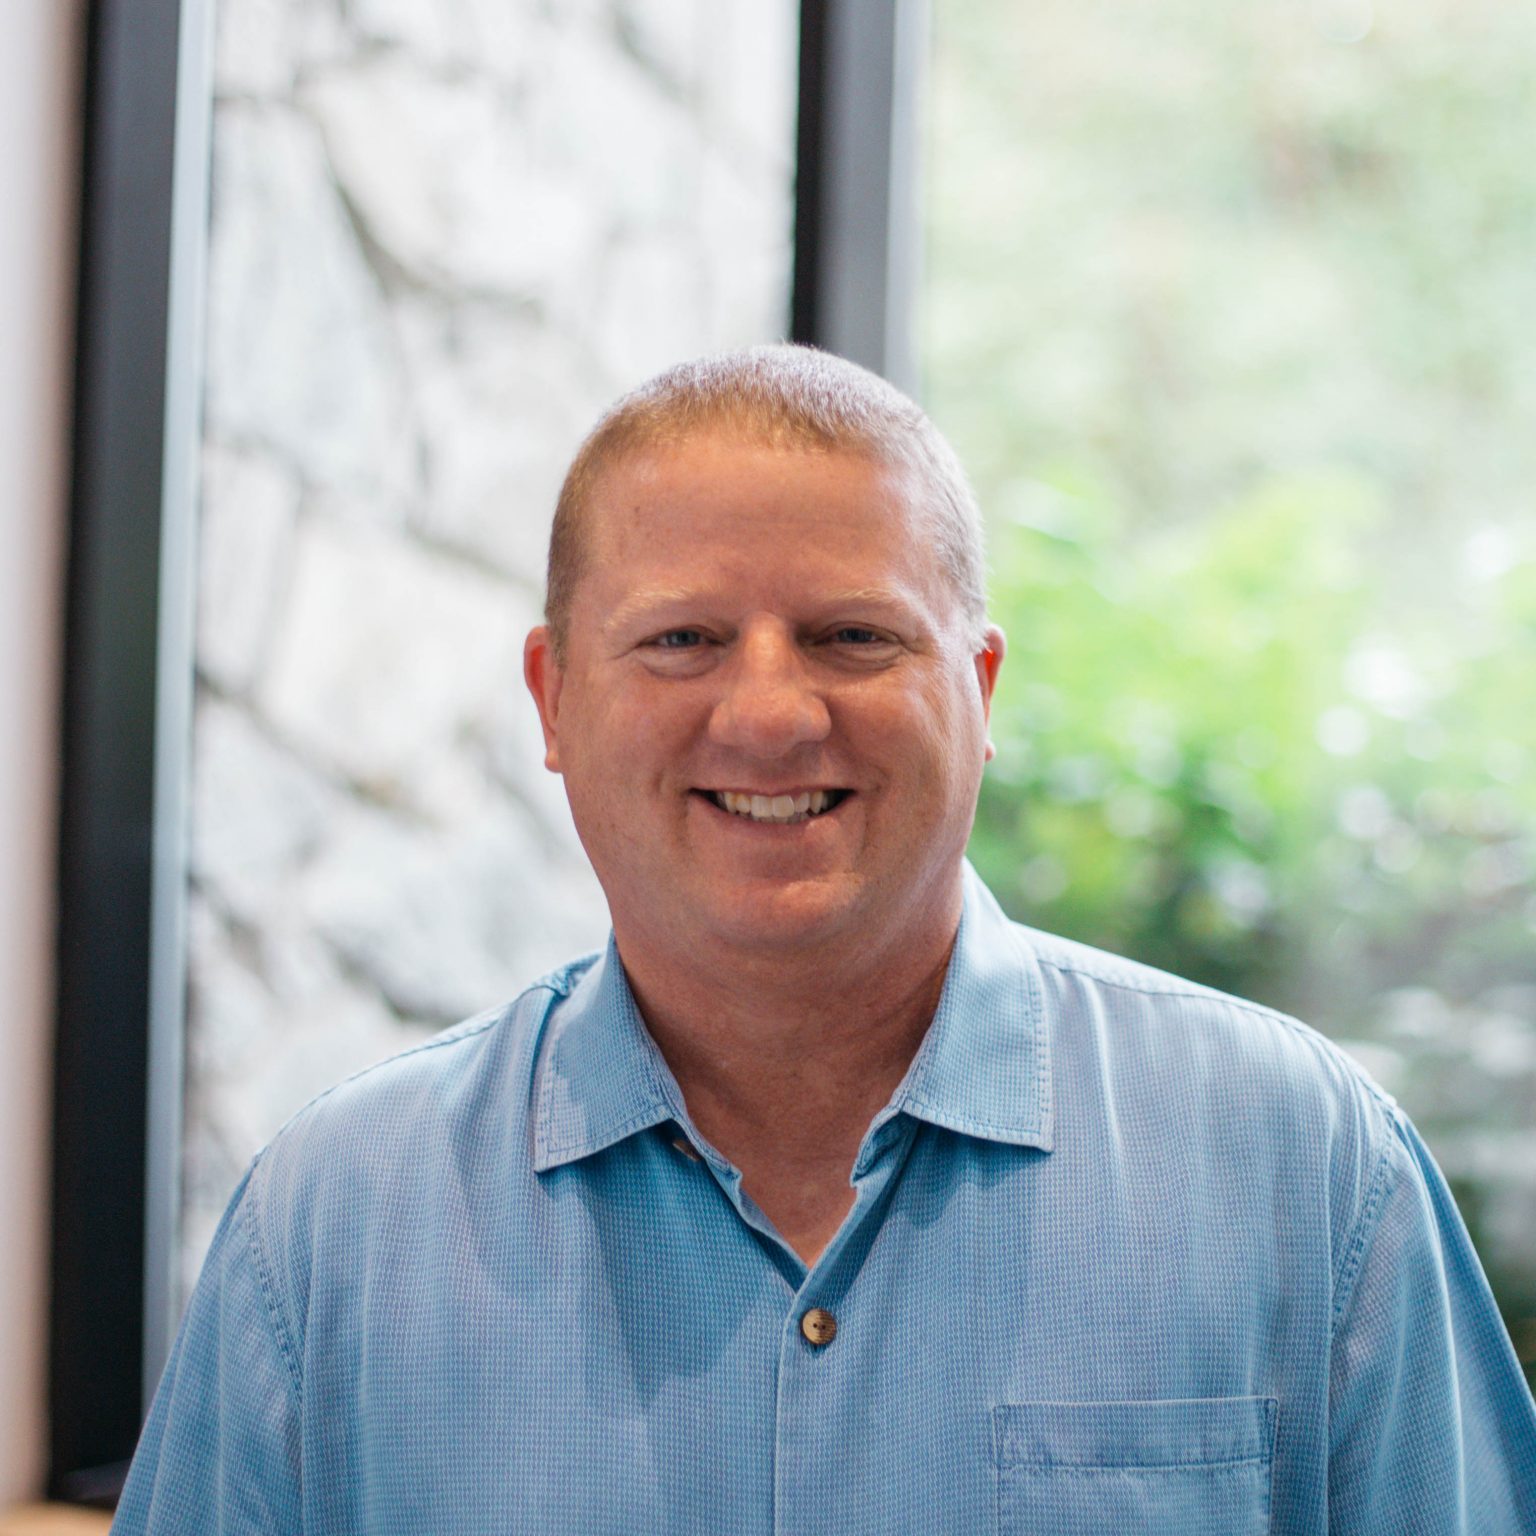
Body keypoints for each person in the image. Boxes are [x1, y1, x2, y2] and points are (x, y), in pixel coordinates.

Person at [114, 345, 1535, 1533]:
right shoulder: (333, 1230)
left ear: (980, 691)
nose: (772, 715)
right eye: (682, 640)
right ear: (552, 701)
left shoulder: (1304, 1169)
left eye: (855, 637)